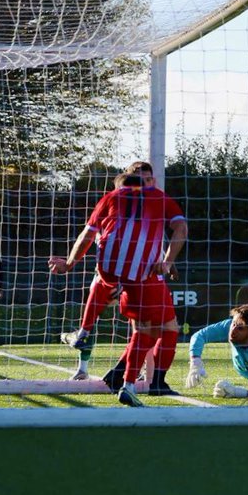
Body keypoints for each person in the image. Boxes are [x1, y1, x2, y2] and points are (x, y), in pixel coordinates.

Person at [50, 162, 188, 407]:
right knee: (151, 329)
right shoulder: (159, 198)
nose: (145, 180)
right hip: (143, 274)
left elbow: (87, 235)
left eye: (148, 176)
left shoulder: (110, 197)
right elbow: (181, 228)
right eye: (142, 177)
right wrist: (167, 261)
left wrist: (69, 264)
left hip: (111, 267)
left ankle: (90, 334)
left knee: (160, 326)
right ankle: (130, 383)